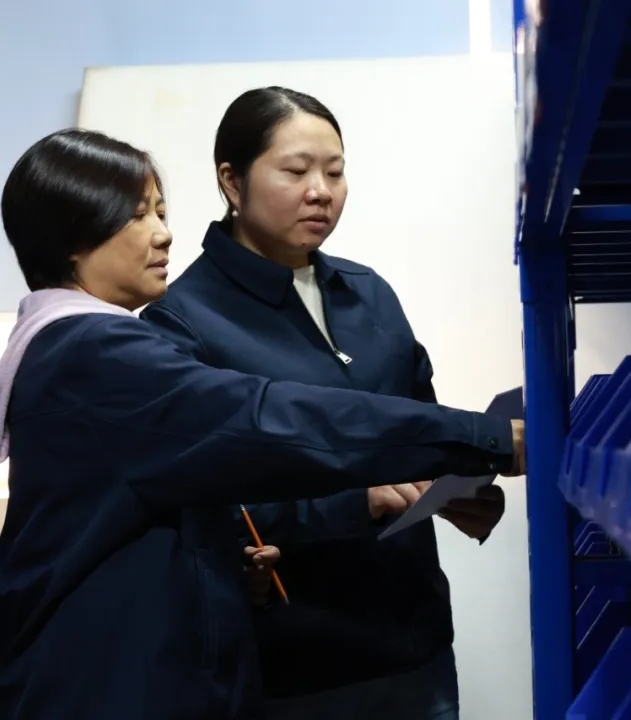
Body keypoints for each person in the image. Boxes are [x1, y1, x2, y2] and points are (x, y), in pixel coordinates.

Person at [0, 128, 526, 720]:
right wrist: (482, 438)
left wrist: (226, 574)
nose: (163, 233)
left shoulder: (88, 349)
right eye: (135, 216)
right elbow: (268, 421)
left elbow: (141, 526)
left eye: (161, 211)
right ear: (71, 239)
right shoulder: (96, 355)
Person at [141, 87, 507, 720]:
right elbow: (194, 510)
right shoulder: (183, 322)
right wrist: (353, 502)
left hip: (415, 647)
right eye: (296, 171)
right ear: (232, 181)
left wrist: (464, 492)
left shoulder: (369, 293)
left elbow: (423, 432)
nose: (321, 192)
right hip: (293, 668)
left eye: (335, 173)